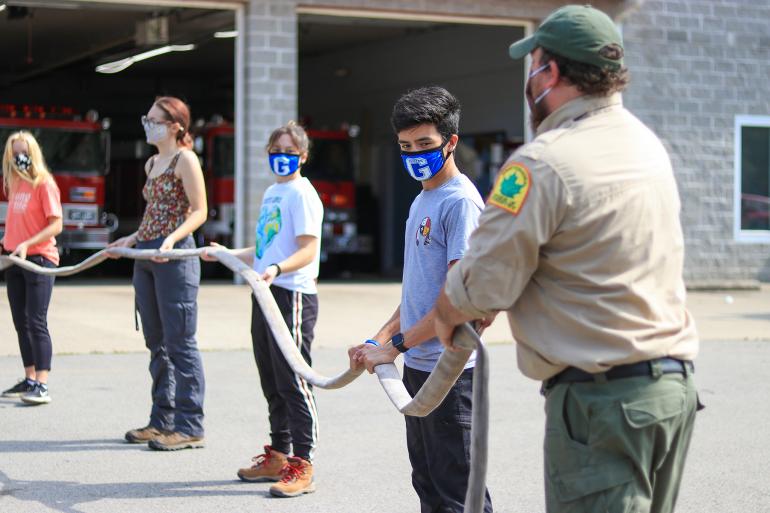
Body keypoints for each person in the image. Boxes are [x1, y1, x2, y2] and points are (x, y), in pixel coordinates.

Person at [432, 6, 700, 513]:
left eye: (531, 64)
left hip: (603, 405)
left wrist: (447, 314)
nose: (527, 80)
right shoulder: (647, 146)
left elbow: (483, 283)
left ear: (549, 72)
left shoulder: (543, 162)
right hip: (671, 393)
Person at [349, 86, 493, 513]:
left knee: (458, 492)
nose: (414, 154)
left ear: (451, 142)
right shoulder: (422, 200)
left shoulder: (460, 202)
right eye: (405, 146)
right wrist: (379, 339)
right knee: (427, 481)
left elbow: (457, 301)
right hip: (418, 366)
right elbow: (419, 292)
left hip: (450, 373)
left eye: (425, 145)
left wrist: (394, 346)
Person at [202, 121, 323, 498]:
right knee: (272, 381)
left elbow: (307, 250)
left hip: (291, 295)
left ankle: (302, 464)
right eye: (276, 150)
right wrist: (225, 255)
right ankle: (278, 456)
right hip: (265, 293)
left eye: (289, 151)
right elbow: (264, 249)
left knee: (294, 382)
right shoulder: (273, 192)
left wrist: (275, 270)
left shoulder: (302, 194)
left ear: (302, 156)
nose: (281, 157)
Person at [107, 96, 208, 451]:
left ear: (175, 125)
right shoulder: (153, 162)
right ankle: (161, 420)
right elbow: (155, 212)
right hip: (147, 253)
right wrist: (133, 238)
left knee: (180, 342)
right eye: (146, 117)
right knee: (156, 342)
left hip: (175, 258)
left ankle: (189, 425)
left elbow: (199, 211)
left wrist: (172, 241)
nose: (148, 124)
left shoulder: (186, 160)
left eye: (154, 119)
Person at [0, 131, 62, 405]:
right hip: (15, 259)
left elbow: (55, 224)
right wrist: (7, 242)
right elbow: (19, 221)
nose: (18, 158)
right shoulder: (14, 183)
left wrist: (27, 243)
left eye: (23, 152)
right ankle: (29, 378)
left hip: (39, 259)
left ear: (33, 153)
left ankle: (43, 384)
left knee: (36, 321)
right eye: (14, 153)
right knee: (20, 322)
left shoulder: (44, 183)